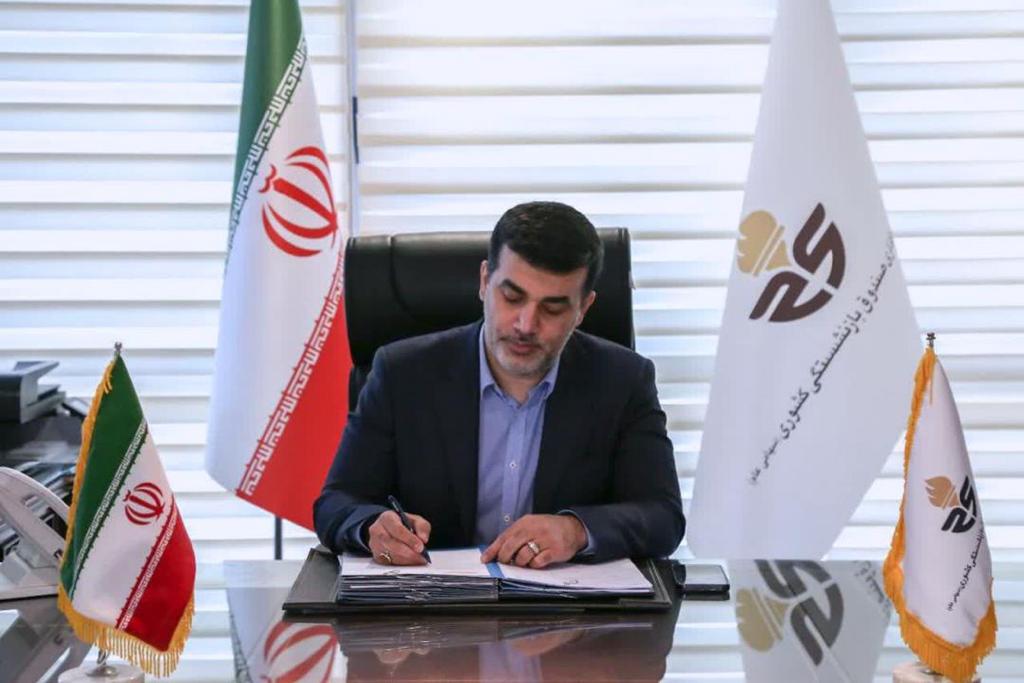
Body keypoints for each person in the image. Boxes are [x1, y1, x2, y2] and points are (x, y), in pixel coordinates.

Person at [314, 201, 684, 567]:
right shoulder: (401, 374)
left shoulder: (624, 380)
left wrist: (576, 531)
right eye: (512, 297)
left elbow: (662, 517)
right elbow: (337, 502)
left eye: (553, 308)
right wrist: (371, 528)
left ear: (583, 309)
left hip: (566, 600)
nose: (526, 324)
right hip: (434, 598)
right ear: (484, 282)